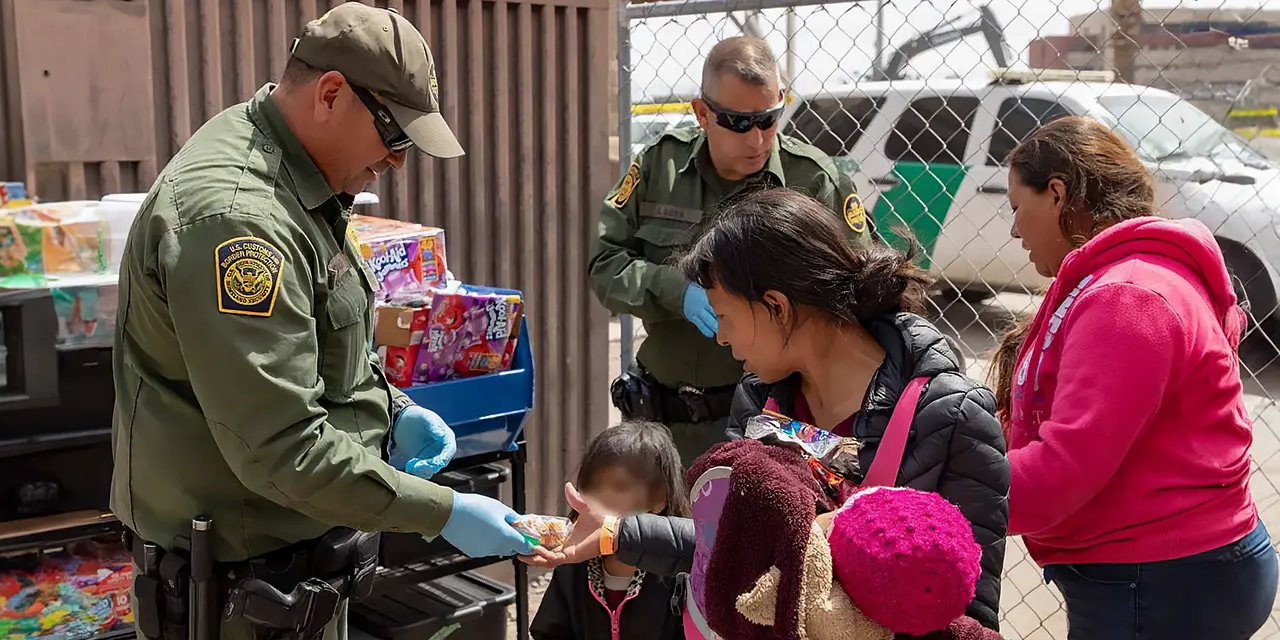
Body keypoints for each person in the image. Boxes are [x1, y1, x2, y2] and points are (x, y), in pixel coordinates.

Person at [111, 5, 532, 639]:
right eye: (394, 136)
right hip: (236, 598)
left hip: (291, 578)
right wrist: (440, 512)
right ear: (331, 93)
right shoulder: (240, 220)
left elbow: (327, 341)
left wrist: (391, 409)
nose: (397, 162)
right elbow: (278, 445)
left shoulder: (296, 179)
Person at [541, 187, 1011, 632]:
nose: (720, 337)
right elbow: (724, 544)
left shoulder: (952, 417)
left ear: (776, 307)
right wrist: (618, 533)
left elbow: (969, 616)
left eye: (724, 315)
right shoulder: (759, 401)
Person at [990, 116, 1278, 640]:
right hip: (1179, 566)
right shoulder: (1132, 276)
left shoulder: (1128, 297)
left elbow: (1062, 471)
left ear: (1057, 193)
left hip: (1161, 578)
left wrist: (944, 487)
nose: (1014, 229)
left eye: (1016, 207)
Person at [590, 36, 876, 466]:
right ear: (702, 113)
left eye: (769, 119)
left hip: (767, 426)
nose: (758, 139)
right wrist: (677, 291)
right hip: (661, 424)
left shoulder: (814, 182)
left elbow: (860, 293)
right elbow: (605, 264)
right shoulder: (659, 167)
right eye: (740, 123)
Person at [531, 421, 690, 640]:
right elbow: (549, 632)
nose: (600, 499)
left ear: (659, 500)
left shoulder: (678, 575)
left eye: (618, 487)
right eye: (593, 486)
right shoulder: (572, 568)